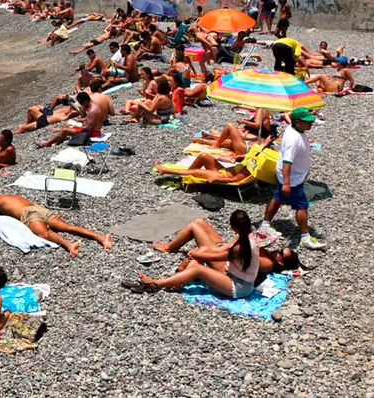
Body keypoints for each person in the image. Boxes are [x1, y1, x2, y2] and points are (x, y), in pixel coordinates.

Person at [125, 210, 261, 298]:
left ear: (234, 227)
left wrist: (195, 254)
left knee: (197, 268)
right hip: (230, 272)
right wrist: (200, 252)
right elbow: (220, 250)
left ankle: (156, 284)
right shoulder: (245, 235)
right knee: (202, 252)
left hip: (239, 286)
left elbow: (216, 257)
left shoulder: (243, 246)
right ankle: (178, 280)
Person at [148, 217, 301, 279]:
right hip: (227, 253)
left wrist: (205, 253)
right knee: (200, 221)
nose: (277, 250)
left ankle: (171, 253)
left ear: (281, 263)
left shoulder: (267, 263)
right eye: (281, 248)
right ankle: (171, 247)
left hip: (225, 266)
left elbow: (226, 255)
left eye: (281, 253)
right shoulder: (267, 254)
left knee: (196, 230)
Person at [259, 107, 326, 250]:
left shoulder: (292, 127)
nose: (311, 123)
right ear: (298, 122)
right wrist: (287, 183)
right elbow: (287, 162)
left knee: (278, 198)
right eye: (307, 121)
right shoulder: (293, 139)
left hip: (288, 175)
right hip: (292, 178)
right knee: (302, 206)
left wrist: (310, 112)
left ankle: (264, 224)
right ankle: (305, 237)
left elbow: (288, 114)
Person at [0, 194, 112, 257]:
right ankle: (100, 237)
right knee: (68, 227)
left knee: (43, 234)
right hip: (39, 209)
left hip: (29, 213)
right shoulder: (11, 196)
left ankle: (69, 245)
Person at [37, 92, 108, 147]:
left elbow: (87, 128)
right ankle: (58, 140)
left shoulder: (92, 110)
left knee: (65, 130)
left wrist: (73, 127)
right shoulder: (94, 106)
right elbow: (92, 119)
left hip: (93, 133)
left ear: (85, 101)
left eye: (81, 103)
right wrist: (81, 120)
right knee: (66, 127)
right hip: (93, 129)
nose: (81, 105)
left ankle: (48, 143)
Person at [154, 152, 252, 183]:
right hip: (223, 170)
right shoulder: (257, 156)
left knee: (195, 172)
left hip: (222, 176)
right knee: (203, 156)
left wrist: (215, 179)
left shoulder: (253, 167)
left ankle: (164, 170)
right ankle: (185, 177)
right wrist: (243, 157)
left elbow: (234, 179)